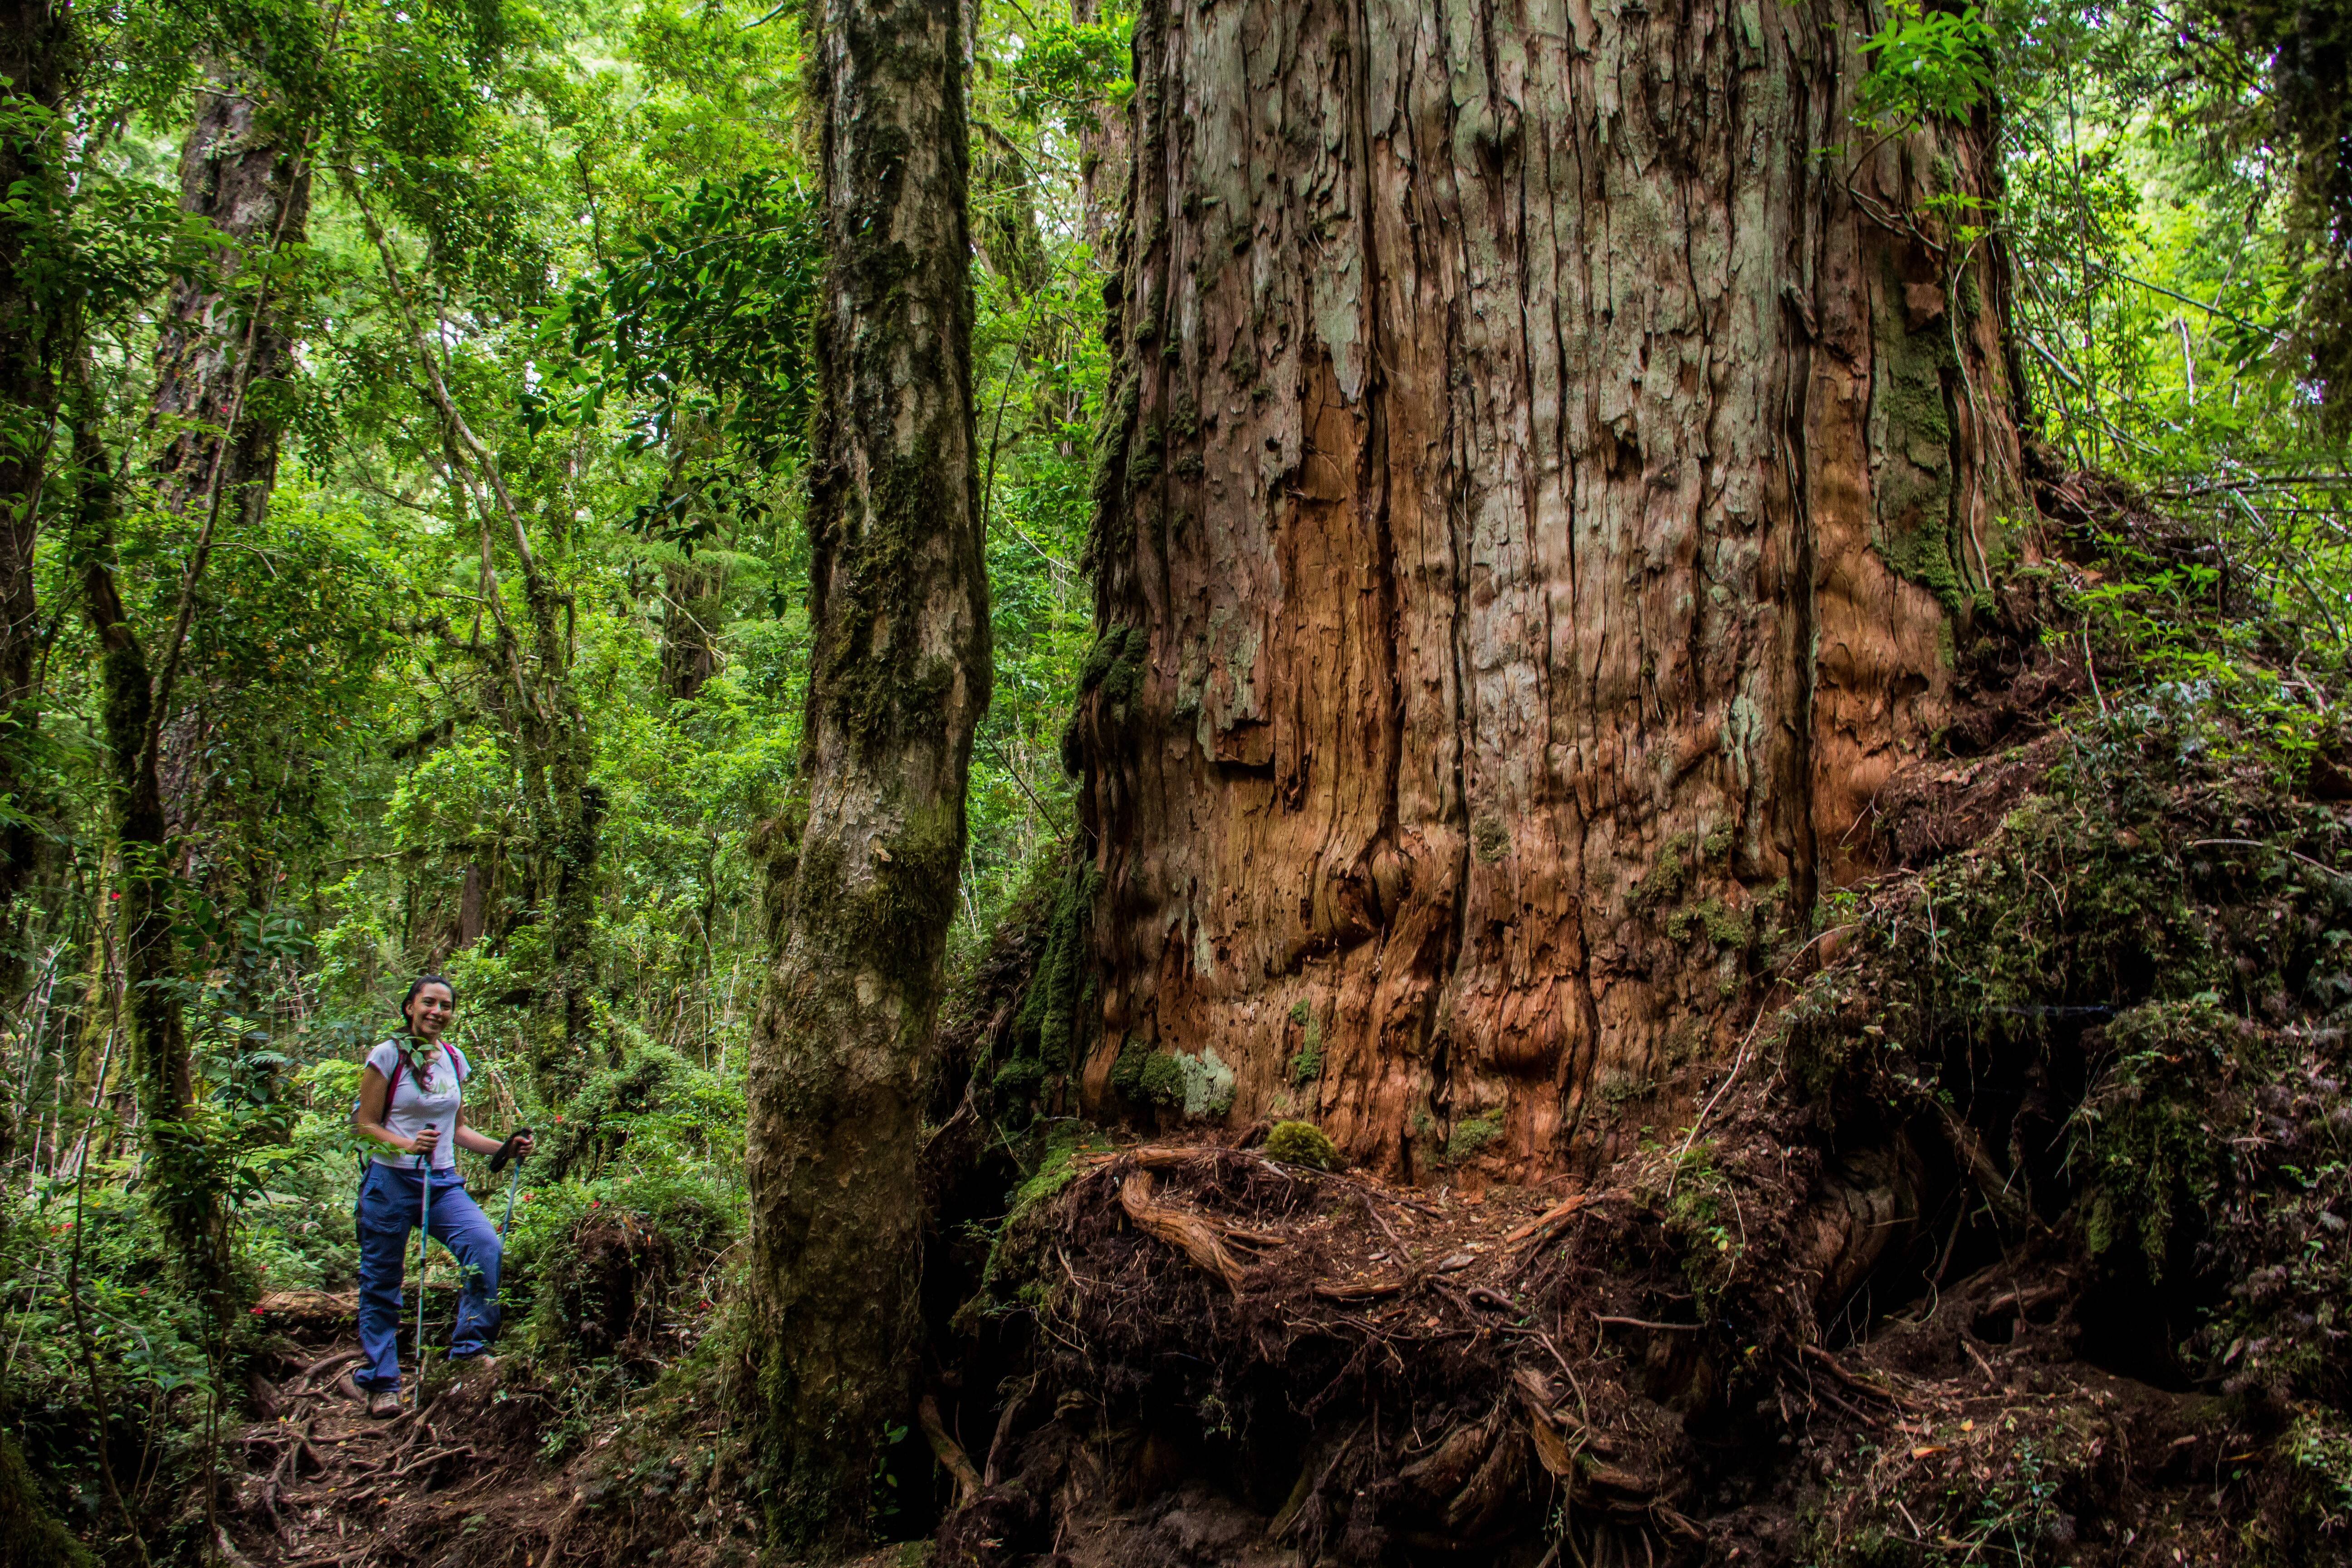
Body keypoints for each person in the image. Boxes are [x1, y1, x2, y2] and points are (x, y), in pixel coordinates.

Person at [342, 975, 533, 1416]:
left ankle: (469, 1350)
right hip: (389, 1181)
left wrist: (506, 1146)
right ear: (410, 1006)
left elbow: (459, 1129)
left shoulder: (453, 1059)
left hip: (441, 1182)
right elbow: (365, 1125)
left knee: (484, 1246)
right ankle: (382, 1382)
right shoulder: (386, 1056)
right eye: (429, 1003)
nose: (437, 1012)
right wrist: (407, 1146)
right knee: (381, 1281)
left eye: (445, 1005)